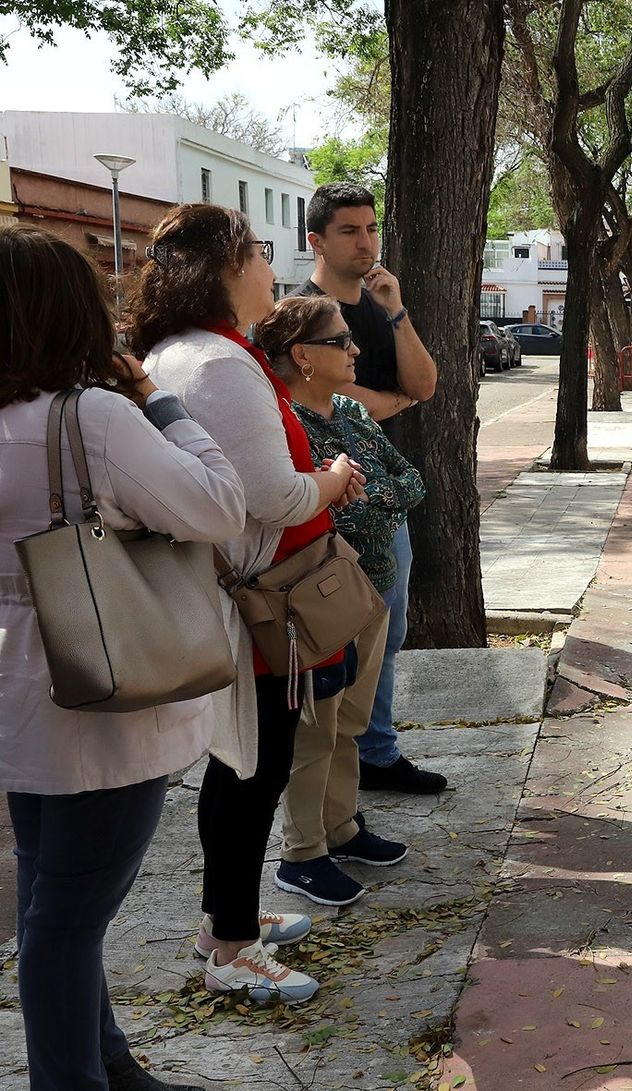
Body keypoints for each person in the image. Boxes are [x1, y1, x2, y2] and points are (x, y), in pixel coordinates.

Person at [0, 226, 246, 1090]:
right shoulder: (94, 417)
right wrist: (161, 402)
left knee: (49, 896)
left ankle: (108, 1062)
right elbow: (218, 505)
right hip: (104, 681)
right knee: (66, 918)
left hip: (21, 681)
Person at [134, 203, 363, 1004]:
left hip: (223, 589)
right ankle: (231, 946)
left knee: (238, 766)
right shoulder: (221, 364)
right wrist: (332, 479)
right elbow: (271, 496)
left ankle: (222, 919)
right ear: (230, 267)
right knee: (251, 769)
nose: (271, 267)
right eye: (261, 251)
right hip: (257, 600)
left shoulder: (174, 353)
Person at [255, 295, 423, 906]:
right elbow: (303, 499)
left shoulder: (351, 409)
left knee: (349, 720)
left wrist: (351, 487)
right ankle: (302, 853)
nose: (355, 351)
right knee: (314, 728)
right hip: (314, 593)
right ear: (302, 354)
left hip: (370, 585)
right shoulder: (284, 423)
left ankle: (341, 827)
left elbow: (410, 482)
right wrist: (334, 488)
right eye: (341, 341)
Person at [295, 182, 446, 796]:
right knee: (331, 634)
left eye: (370, 228)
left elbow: (426, 384)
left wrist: (397, 311)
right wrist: (387, 401)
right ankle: (331, 763)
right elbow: (326, 402)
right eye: (349, 231)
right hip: (325, 505)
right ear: (317, 241)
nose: (366, 241)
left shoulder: (382, 305)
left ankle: (375, 752)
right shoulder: (301, 315)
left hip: (381, 502)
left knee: (389, 625)